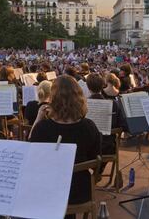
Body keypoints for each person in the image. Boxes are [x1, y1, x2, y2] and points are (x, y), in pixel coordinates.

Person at [30, 76, 101, 217]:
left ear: (53, 98)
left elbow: (32, 158)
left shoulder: (42, 128)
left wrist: (38, 119)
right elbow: (96, 158)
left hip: (49, 191)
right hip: (81, 191)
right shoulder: (89, 127)